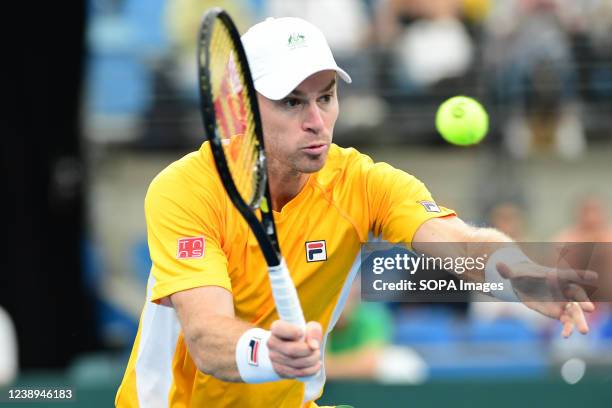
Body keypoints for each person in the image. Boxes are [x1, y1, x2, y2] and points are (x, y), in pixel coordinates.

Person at [116, 16, 594, 408]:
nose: (316, 121)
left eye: (326, 97)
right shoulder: (184, 189)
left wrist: (519, 273)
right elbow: (206, 338)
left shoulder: (362, 182)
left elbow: (460, 242)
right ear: (242, 107)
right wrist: (269, 353)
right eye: (291, 103)